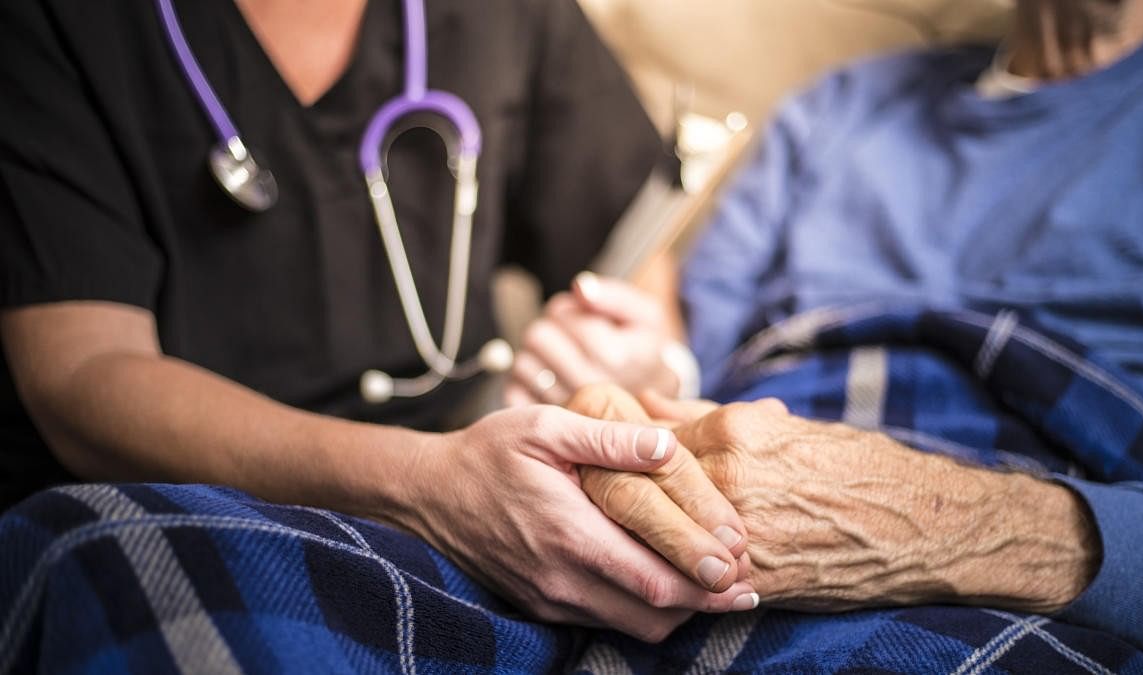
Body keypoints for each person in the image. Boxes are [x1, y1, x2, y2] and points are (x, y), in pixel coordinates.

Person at [0, 0, 759, 643]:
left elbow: (630, 244)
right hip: (185, 510)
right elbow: (79, 373)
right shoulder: (55, 25)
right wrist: (428, 486)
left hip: (488, 504)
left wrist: (644, 358)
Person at [517, 0, 1143, 657]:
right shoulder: (840, 105)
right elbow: (698, 349)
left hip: (1066, 520)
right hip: (751, 477)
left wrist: (949, 527)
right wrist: (647, 371)